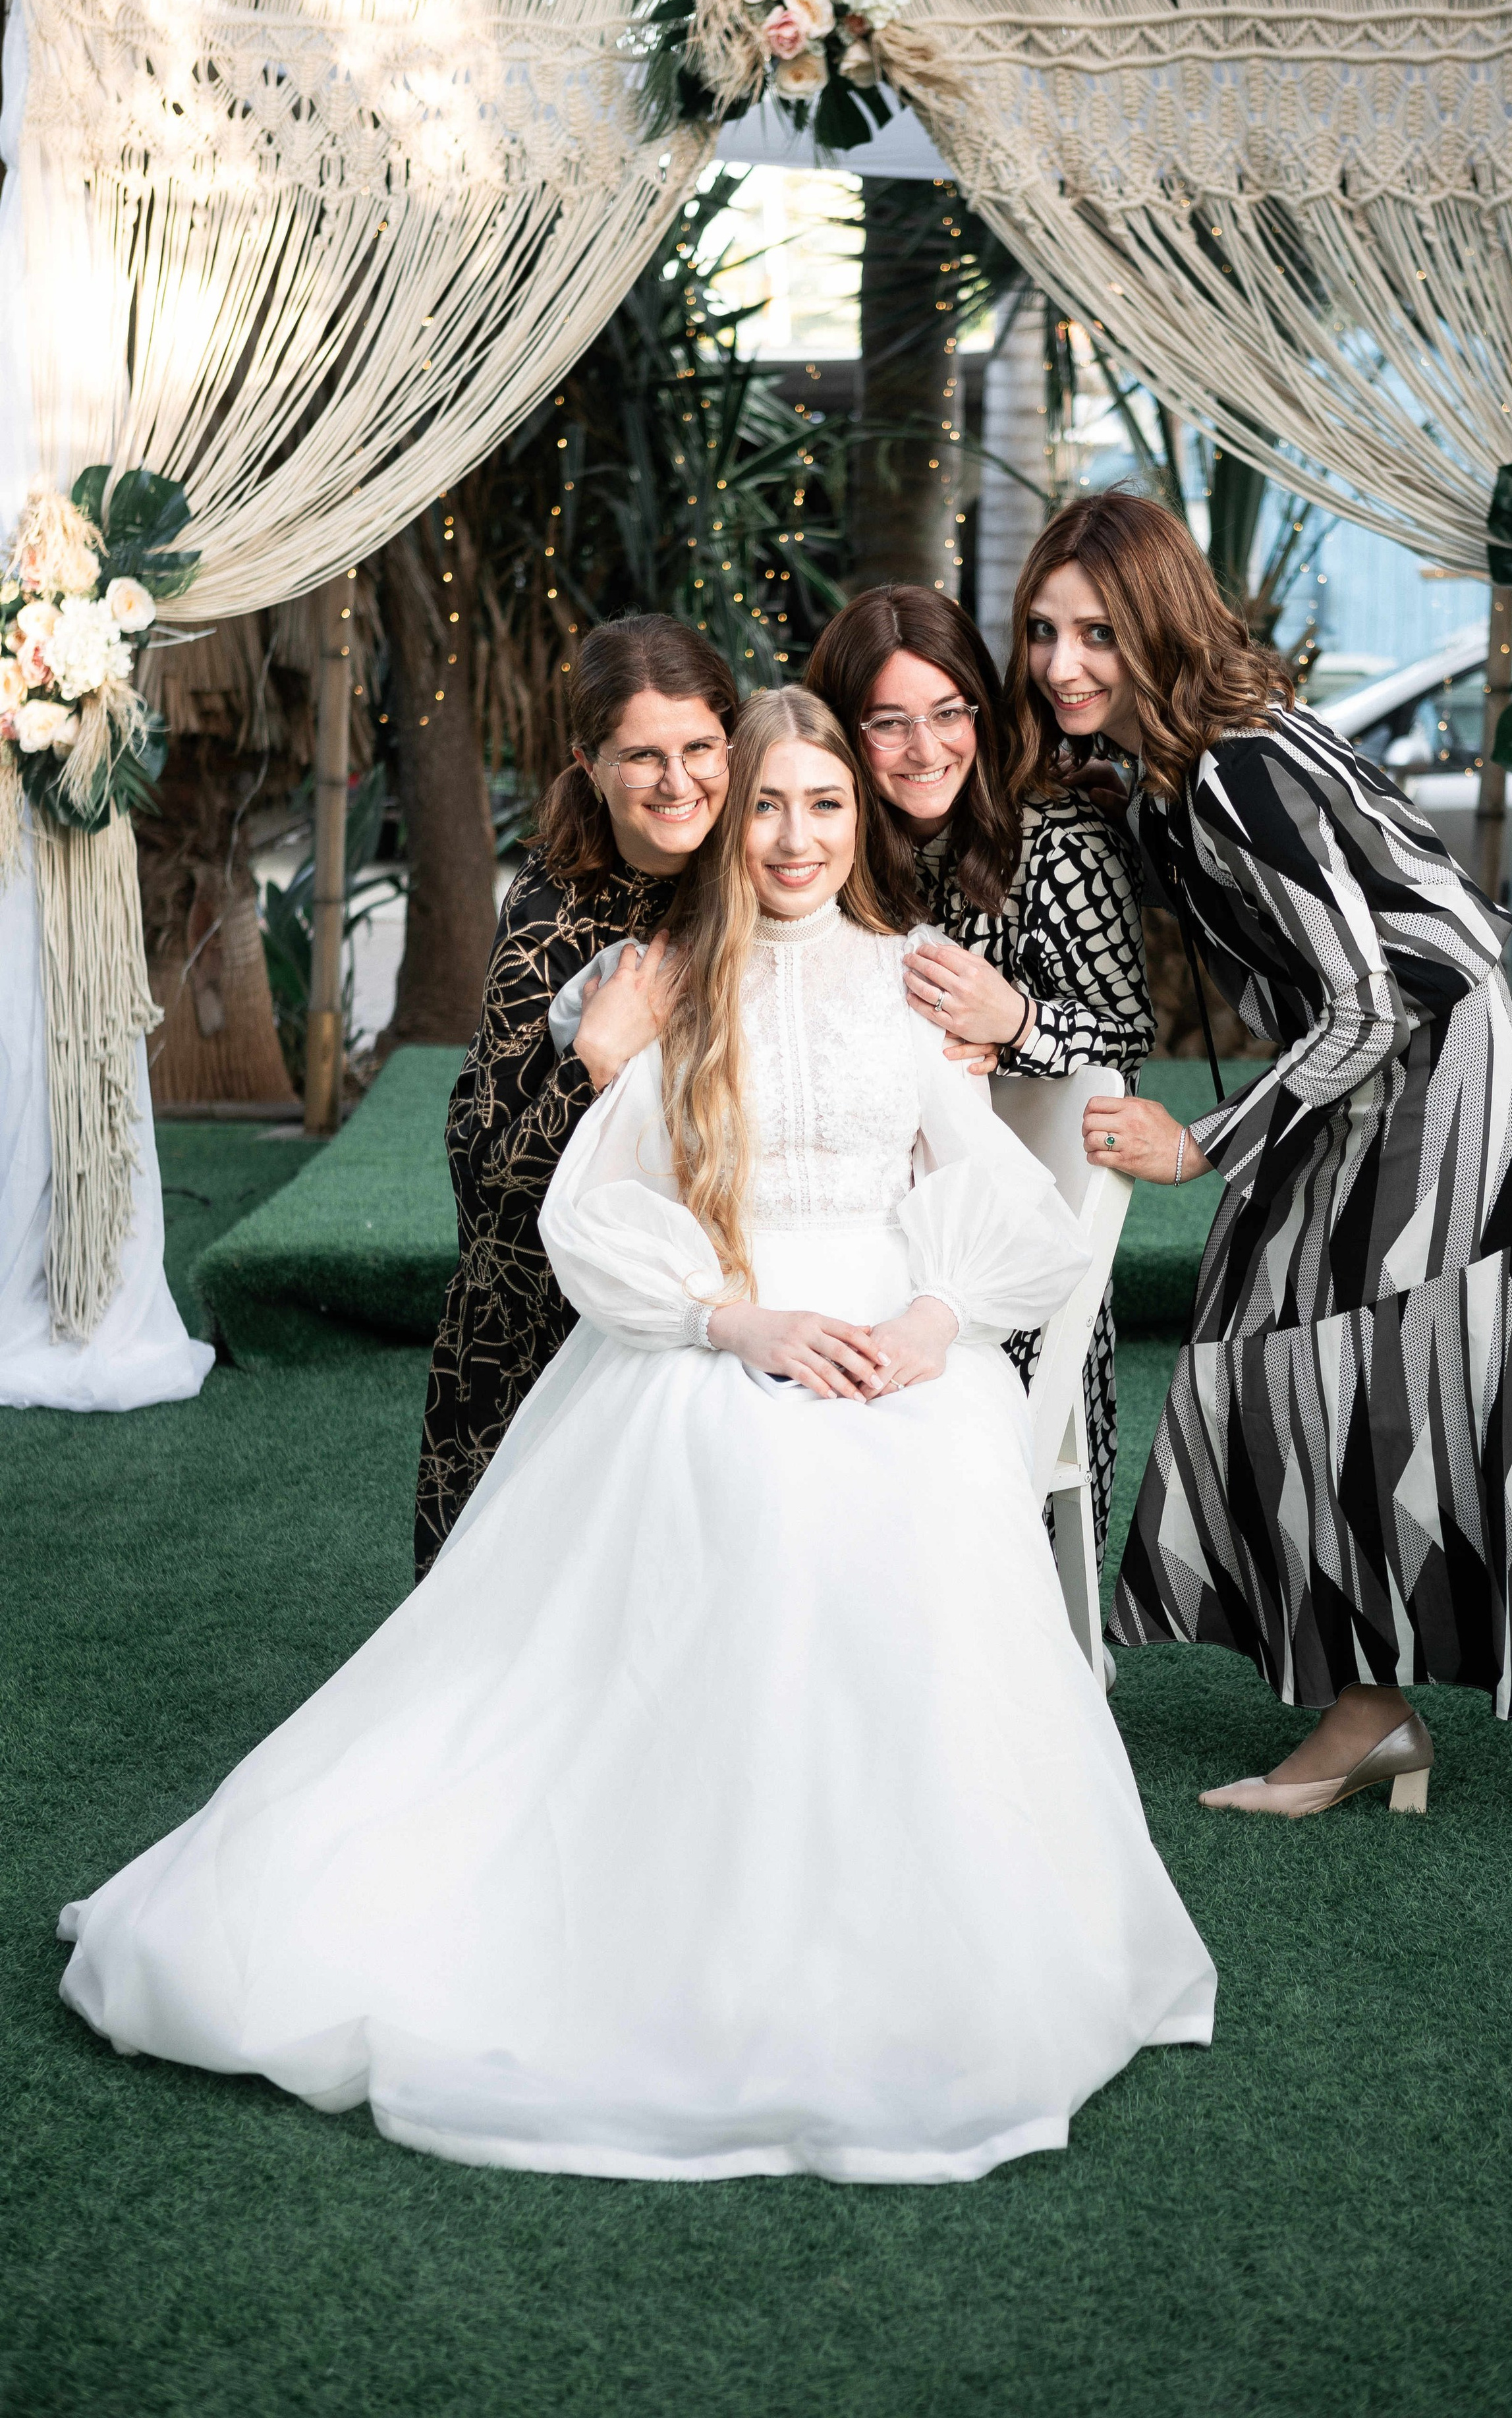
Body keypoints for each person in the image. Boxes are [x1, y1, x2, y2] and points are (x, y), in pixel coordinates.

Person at [57, 686, 1216, 2183]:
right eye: (770, 807)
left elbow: (993, 1197)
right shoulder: (678, 978)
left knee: (906, 1484)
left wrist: (928, 1331)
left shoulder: (908, 977)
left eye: (826, 807)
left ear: (856, 824)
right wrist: (736, 1325)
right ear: (732, 825)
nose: (794, 837)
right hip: (714, 1324)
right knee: (731, 1467)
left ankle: (892, 1939)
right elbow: (594, 1209)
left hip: (894, 1338)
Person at [1013, 490, 1512, 1813]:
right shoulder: (1186, 758)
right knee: (1315, 1370)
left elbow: (1370, 998)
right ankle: (1386, 1704)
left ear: (1157, 626)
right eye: (1041, 631)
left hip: (1430, 1069)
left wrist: (1199, 1143)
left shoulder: (1229, 771)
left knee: (1416, 1380)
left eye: (1095, 632)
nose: (1058, 664)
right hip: (1375, 1063)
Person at [807, 584, 1155, 1565]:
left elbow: (1126, 1042)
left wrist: (1021, 1024)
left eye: (950, 713)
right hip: (861, 1203)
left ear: (982, 713)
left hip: (1007, 1235)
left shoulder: (1058, 845)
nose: (928, 750)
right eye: (889, 724)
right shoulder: (827, 845)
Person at [413, 614, 736, 1578]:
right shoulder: (555, 904)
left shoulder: (772, 870)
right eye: (643, 756)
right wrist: (592, 1062)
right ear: (589, 762)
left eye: (699, 748)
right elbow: (483, 1172)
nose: (679, 783)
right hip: (547, 1312)